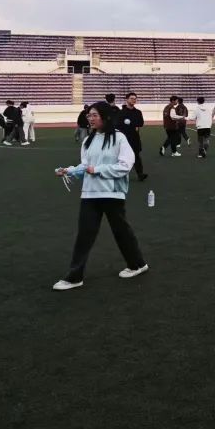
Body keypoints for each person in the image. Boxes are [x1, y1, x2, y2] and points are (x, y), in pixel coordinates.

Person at [52, 101, 148, 290]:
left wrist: (97, 169)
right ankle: (75, 276)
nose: (90, 118)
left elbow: (125, 165)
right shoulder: (88, 140)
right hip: (90, 194)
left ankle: (137, 264)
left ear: (106, 117)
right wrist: (69, 171)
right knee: (84, 235)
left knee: (121, 232)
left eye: (94, 115)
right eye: (89, 115)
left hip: (112, 193)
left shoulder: (119, 138)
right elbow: (85, 166)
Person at [116, 92, 148, 181]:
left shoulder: (138, 112)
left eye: (135, 99)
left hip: (134, 137)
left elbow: (141, 123)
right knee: (122, 157)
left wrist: (131, 123)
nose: (133, 100)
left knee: (136, 156)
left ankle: (140, 174)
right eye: (131, 98)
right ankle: (118, 174)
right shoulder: (121, 112)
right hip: (124, 138)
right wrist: (130, 125)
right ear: (127, 99)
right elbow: (117, 125)